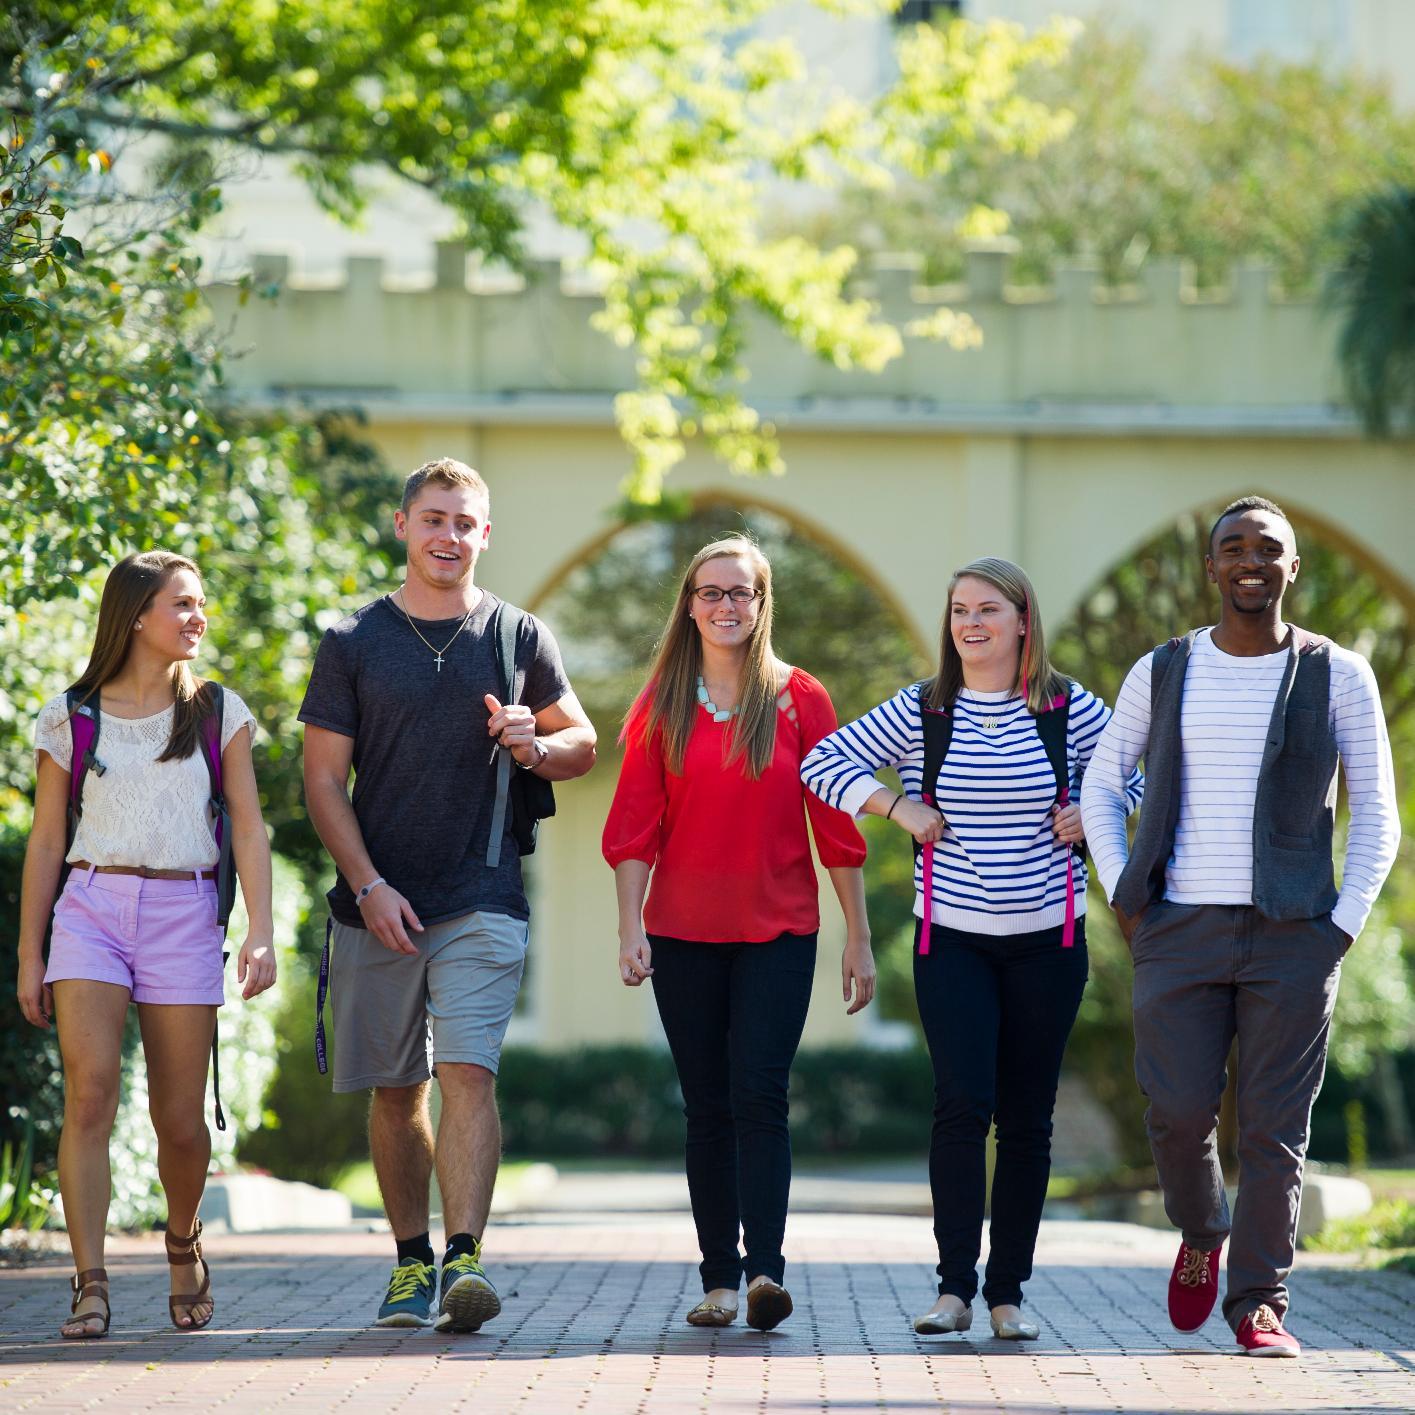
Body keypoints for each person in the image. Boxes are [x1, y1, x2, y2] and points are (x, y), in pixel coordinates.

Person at [1081, 496, 1399, 1358]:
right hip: (1176, 927)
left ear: (1292, 568)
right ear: (1211, 568)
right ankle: (1199, 1228)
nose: (1250, 559)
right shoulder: (1163, 668)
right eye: (1233, 547)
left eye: (1269, 547)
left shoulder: (1338, 673)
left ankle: (1258, 1300)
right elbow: (1102, 786)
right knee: (1178, 1113)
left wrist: (1341, 924)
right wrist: (1124, 891)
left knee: (1271, 1128)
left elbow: (1376, 809)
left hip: (1296, 932)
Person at [802, 556, 1141, 1341]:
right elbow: (820, 762)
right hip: (949, 939)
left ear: (1023, 620)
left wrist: (1099, 811)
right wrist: (895, 806)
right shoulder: (926, 708)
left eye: (987, 608)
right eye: (958, 609)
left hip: (1046, 945)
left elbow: (1146, 778)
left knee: (1027, 1121)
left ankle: (1006, 1293)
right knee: (961, 1107)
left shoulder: (1068, 707)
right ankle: (953, 1289)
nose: (970, 623)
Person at [300, 457, 595, 1333]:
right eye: (434, 519)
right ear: (402, 526)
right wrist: (370, 883)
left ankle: (465, 1258)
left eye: (465, 522)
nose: (449, 536)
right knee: (396, 1090)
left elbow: (580, 738)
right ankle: (410, 1264)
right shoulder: (352, 638)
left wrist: (532, 742)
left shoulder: (517, 634)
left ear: (485, 533)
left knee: (467, 1069)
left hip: (482, 891)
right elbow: (322, 780)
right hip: (379, 900)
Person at [604, 535, 873, 1332]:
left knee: (759, 1095)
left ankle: (765, 1276)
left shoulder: (799, 699)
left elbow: (837, 827)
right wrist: (630, 929)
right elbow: (632, 829)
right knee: (706, 1106)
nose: (726, 604)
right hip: (682, 934)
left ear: (761, 604)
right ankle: (718, 1278)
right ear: (688, 603)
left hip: (778, 931)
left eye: (741, 592)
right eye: (711, 591)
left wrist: (858, 936)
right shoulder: (660, 704)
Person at [16, 551, 276, 1339]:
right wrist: (31, 953)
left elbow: (251, 825)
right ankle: (89, 1280)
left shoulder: (217, 712)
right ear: (136, 615)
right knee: (89, 1097)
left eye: (200, 605)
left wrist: (260, 929)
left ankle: (182, 1237)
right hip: (91, 907)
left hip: (183, 912)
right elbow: (46, 837)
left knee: (181, 1120)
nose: (198, 618)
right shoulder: (73, 714)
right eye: (183, 605)